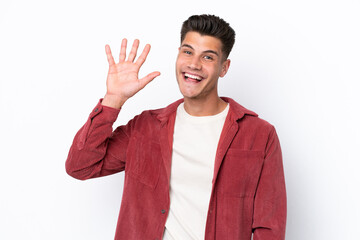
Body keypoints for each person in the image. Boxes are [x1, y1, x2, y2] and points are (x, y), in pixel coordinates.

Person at [66, 14, 286, 240]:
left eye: (208, 57)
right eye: (188, 51)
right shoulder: (145, 128)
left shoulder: (259, 135)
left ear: (224, 67)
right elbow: (80, 166)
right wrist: (113, 99)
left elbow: (269, 227)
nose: (194, 64)